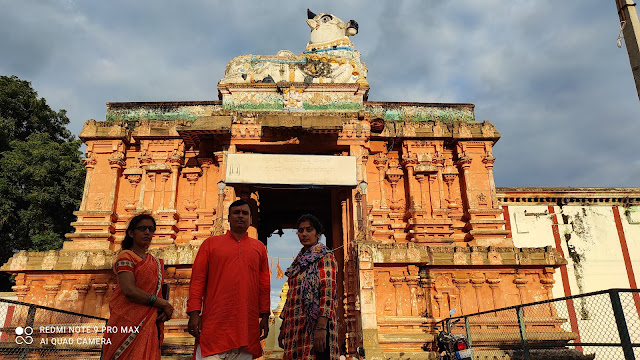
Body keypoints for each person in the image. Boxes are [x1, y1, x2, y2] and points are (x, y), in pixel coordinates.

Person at [187, 199, 271, 360]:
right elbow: (198, 280)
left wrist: (265, 316)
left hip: (246, 327)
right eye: (236, 213)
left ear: (251, 219)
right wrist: (194, 313)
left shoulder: (259, 248)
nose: (240, 216)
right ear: (229, 218)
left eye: (245, 213)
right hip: (214, 326)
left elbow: (264, 285)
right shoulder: (210, 244)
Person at [102, 214, 174, 360]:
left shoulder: (154, 262)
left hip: (149, 323)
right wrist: (162, 303)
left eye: (151, 229)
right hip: (126, 321)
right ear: (131, 232)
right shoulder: (126, 257)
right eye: (142, 228)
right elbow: (129, 291)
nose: (147, 232)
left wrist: (163, 310)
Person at [278, 214, 339, 360]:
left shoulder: (325, 257)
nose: (304, 234)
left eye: (309, 230)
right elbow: (291, 296)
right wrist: (283, 327)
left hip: (316, 327)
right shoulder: (298, 262)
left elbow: (328, 292)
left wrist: (321, 327)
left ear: (317, 234)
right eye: (300, 230)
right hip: (295, 326)